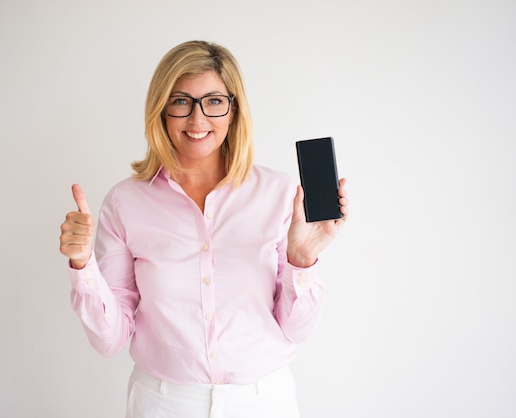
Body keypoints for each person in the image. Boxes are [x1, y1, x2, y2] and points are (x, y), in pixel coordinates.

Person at [59, 40, 348, 418]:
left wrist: (302, 259)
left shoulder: (278, 193)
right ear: (161, 110)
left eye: (213, 101)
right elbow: (109, 340)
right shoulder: (125, 202)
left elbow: (295, 330)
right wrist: (83, 267)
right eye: (181, 101)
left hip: (263, 402)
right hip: (164, 403)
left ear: (234, 110)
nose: (197, 120)